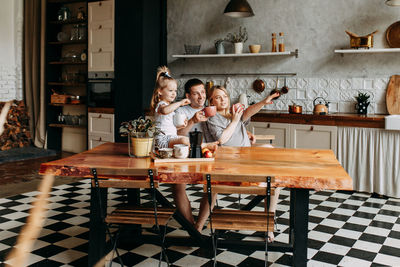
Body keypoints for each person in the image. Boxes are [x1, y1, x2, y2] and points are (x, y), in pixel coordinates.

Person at [206, 85, 281, 242]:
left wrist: (263, 102)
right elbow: (222, 139)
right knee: (272, 174)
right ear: (211, 101)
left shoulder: (233, 113)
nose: (222, 99)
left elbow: (247, 112)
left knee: (273, 159)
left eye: (225, 96)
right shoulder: (212, 118)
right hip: (231, 160)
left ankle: (269, 219)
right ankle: (268, 221)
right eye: (218, 97)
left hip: (246, 154)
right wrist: (234, 120)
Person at [150, 66, 191, 149]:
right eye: (170, 90)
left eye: (175, 91)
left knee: (189, 140)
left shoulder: (169, 107)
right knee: (185, 141)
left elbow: (168, 126)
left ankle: (205, 146)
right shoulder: (161, 105)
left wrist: (180, 126)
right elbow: (165, 110)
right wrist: (180, 103)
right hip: (162, 140)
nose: (174, 93)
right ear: (160, 91)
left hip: (170, 138)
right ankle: (205, 146)